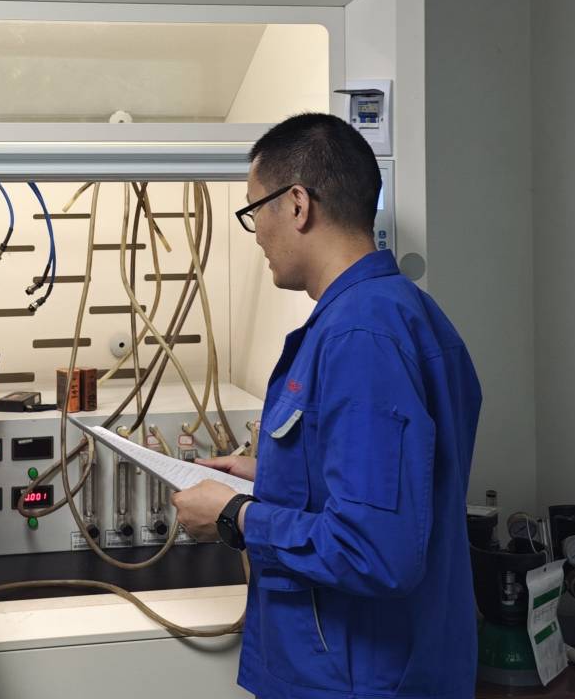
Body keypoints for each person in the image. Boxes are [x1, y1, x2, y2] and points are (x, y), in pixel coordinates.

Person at [173, 113, 483, 699]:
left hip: (359, 678)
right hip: (397, 664)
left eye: (254, 211)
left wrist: (235, 515)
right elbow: (408, 489)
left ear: (296, 204)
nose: (256, 234)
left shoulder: (359, 336)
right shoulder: (403, 312)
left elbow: (375, 549)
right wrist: (271, 475)